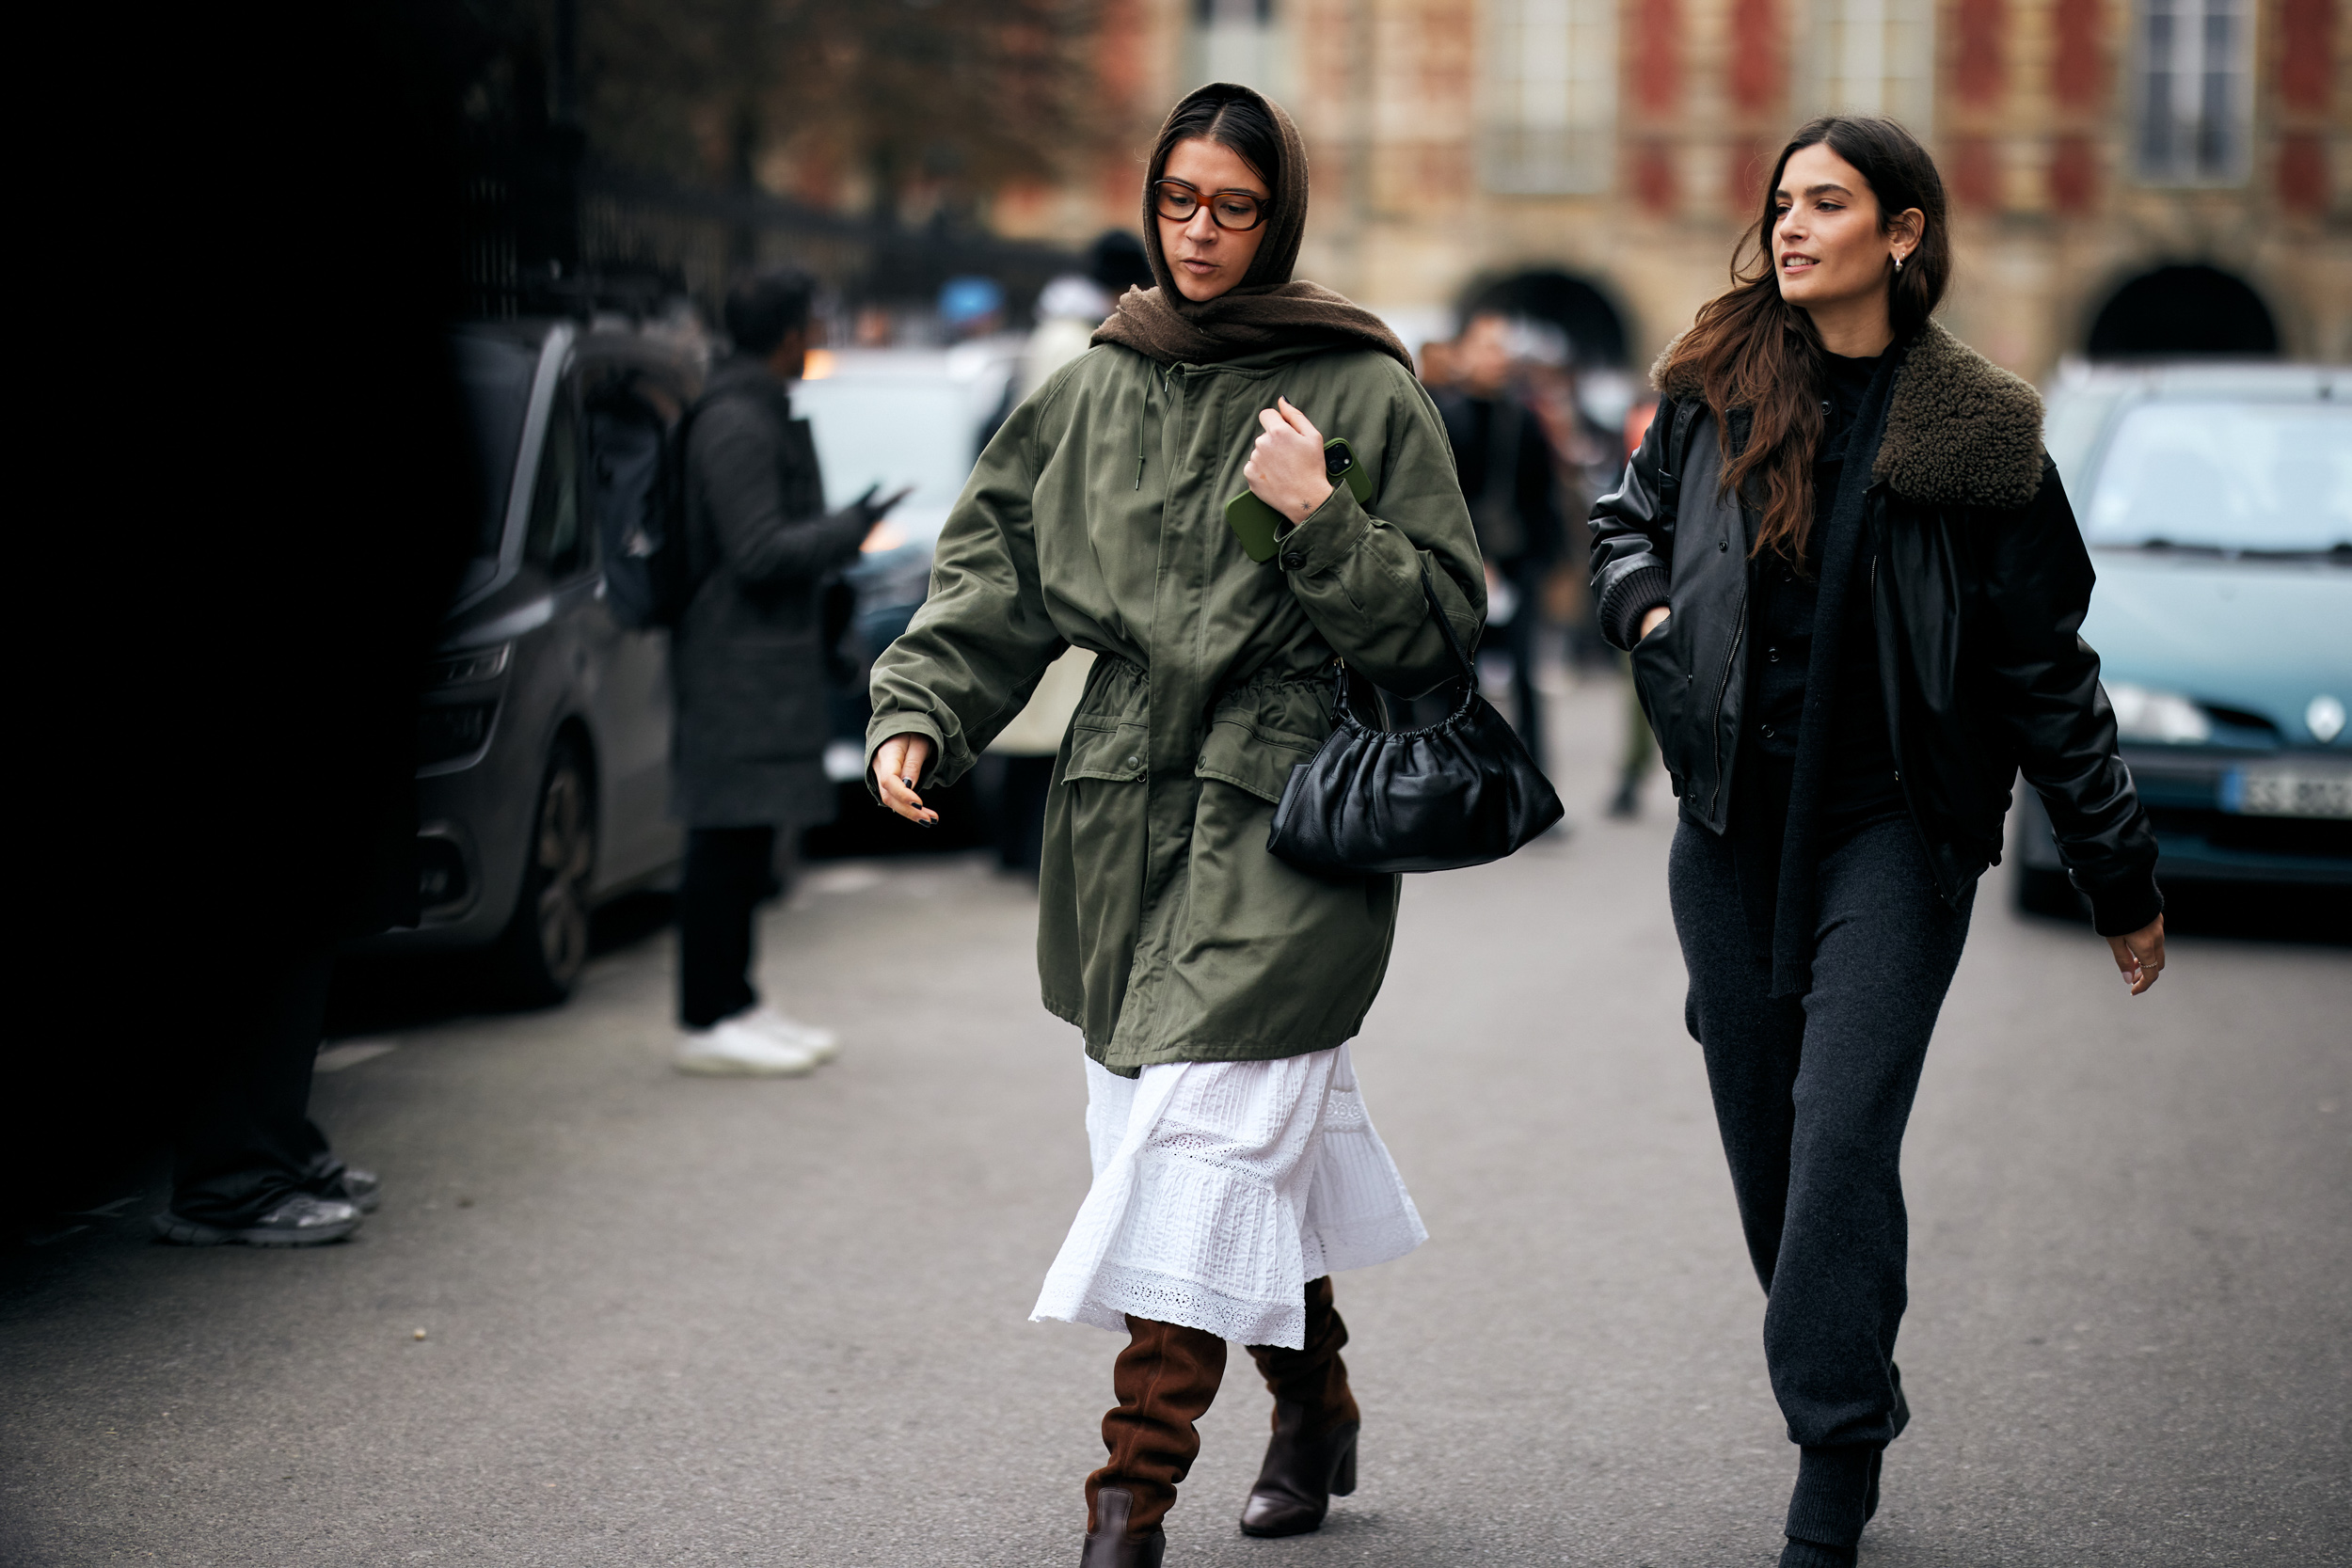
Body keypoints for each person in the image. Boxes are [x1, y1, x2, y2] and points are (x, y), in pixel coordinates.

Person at [865, 83, 1483, 1566]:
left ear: (1283, 217)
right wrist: (922, 707)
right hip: (1120, 808)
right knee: (1174, 1149)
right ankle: (1313, 1400)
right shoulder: (1093, 383)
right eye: (1181, 201)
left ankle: (1126, 1501)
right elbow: (995, 567)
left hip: (1286, 815)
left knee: (1201, 1159)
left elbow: (1445, 627)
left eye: (1236, 206)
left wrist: (1320, 516)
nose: (1202, 232)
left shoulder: (1357, 386)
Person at [1588, 117, 2168, 1568]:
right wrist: (1650, 618)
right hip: (1729, 824)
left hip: (1893, 830)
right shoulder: (1713, 385)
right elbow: (1623, 528)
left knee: (1841, 1140)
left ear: (1901, 234)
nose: (1788, 227)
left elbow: (2047, 670)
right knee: (1770, 1155)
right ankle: (1856, 1369)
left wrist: (2118, 872)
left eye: (1826, 204)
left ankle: (1834, 1453)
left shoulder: (1979, 432)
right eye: (1782, 202)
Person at [671, 268, 892, 1077]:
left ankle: (736, 1000)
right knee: (724, 834)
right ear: (789, 333)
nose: (818, 342)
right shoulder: (735, 420)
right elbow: (757, 550)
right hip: (733, 661)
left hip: (755, 661)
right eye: (812, 326)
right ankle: (706, 1015)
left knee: (747, 832)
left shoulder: (750, 410)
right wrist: (849, 529)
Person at [1432, 312, 1565, 762]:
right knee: (1460, 678)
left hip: (1517, 561)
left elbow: (1543, 493)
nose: (1498, 357)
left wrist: (1541, 560)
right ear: (1464, 353)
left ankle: (1532, 777)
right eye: (1488, 346)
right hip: (1458, 567)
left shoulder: (1525, 419)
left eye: (1503, 347)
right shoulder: (1443, 415)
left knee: (1527, 673)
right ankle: (1463, 774)